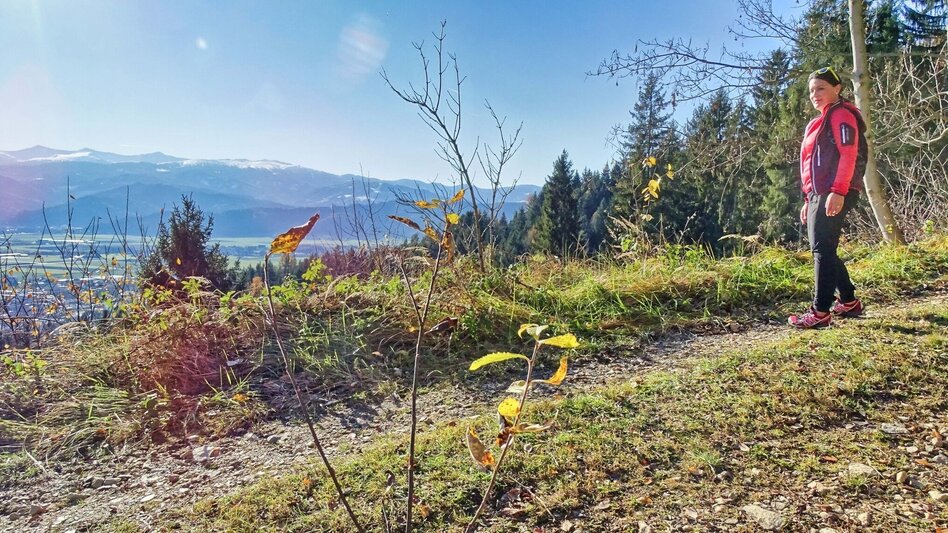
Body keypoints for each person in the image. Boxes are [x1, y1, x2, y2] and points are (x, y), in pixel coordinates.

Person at [788, 66, 866, 329]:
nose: (815, 94)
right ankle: (849, 301)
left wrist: (838, 191)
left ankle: (820, 312)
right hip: (819, 193)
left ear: (837, 89)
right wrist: (808, 198)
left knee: (821, 249)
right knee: (825, 248)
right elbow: (810, 164)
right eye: (811, 90)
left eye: (821, 88)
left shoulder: (841, 114)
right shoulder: (816, 122)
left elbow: (848, 153)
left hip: (835, 190)